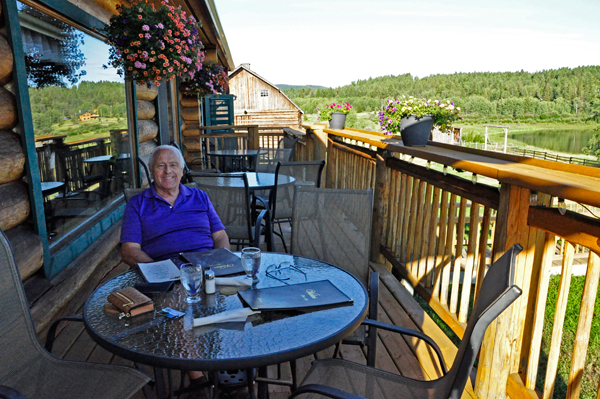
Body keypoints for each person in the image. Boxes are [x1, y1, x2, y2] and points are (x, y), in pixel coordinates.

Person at [120, 144, 230, 266]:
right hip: (163, 269)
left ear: (181, 170)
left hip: (206, 266)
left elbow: (220, 236)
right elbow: (129, 250)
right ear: (151, 171)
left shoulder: (200, 196)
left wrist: (220, 263)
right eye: (161, 165)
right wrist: (158, 271)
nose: (168, 171)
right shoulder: (137, 203)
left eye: (173, 165)